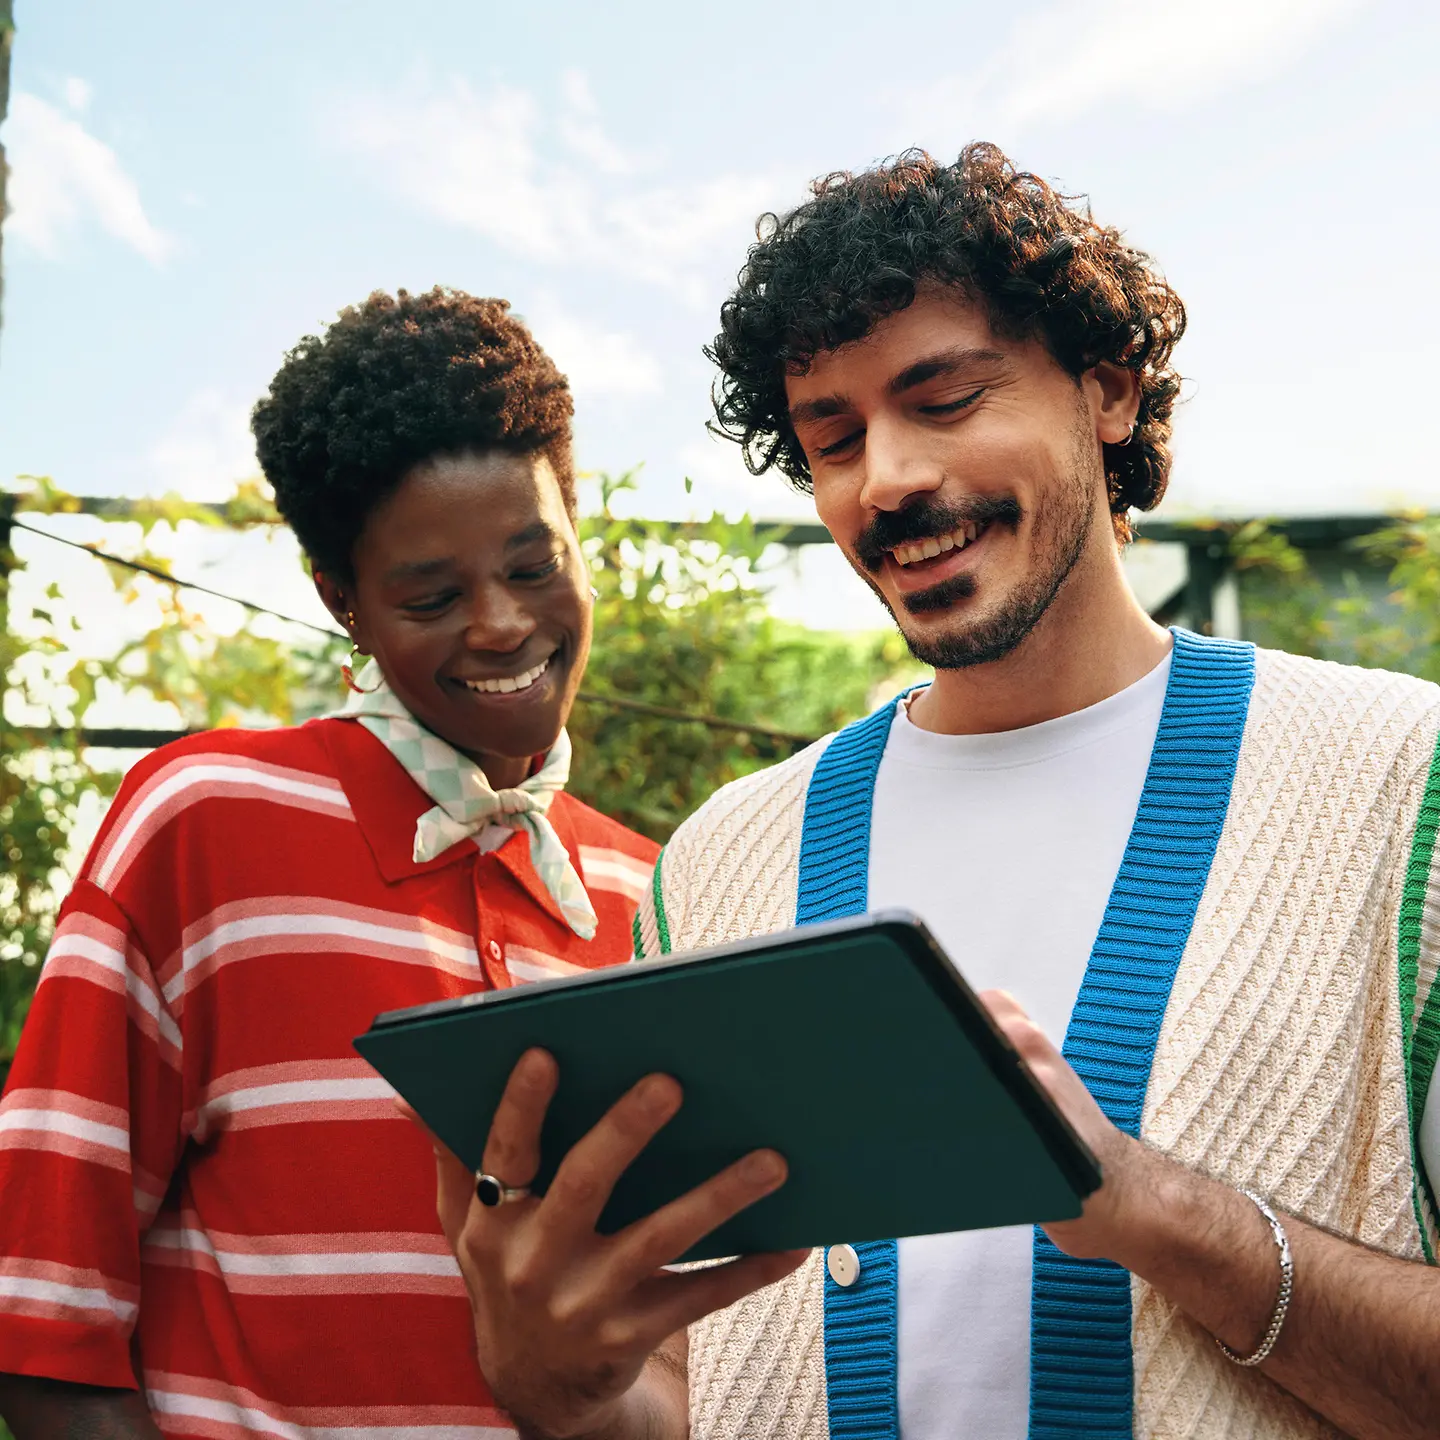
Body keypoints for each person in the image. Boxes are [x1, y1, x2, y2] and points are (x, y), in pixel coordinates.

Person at [428, 147, 1440, 1439]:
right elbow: (701, 1390)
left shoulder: (1398, 787)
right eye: (833, 439)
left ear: (1109, 391)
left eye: (946, 400)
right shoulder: (726, 860)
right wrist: (567, 1389)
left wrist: (1158, 1210)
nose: (887, 479)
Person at [0, 288, 660, 1439]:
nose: (502, 624)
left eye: (533, 563)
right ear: (342, 602)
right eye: (432, 595)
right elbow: (42, 1320)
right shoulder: (205, 825)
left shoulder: (649, 894)